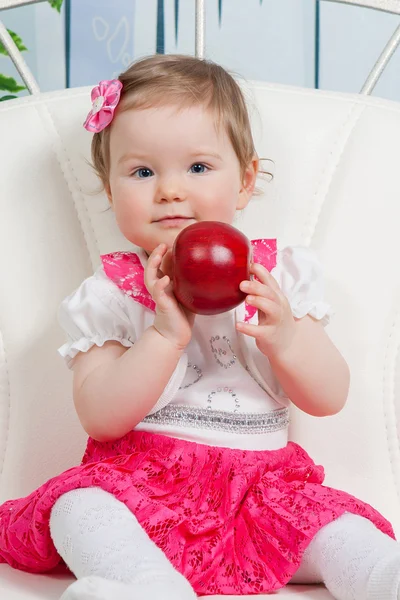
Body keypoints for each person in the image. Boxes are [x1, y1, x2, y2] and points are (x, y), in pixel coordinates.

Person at [0, 54, 399, 600]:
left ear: (246, 181)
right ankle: (145, 585)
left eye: (198, 168)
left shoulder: (275, 277)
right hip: (144, 493)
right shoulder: (111, 292)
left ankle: (382, 576)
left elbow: (329, 396)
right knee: (80, 507)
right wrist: (163, 336)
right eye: (142, 172)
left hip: (263, 498)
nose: (168, 190)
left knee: (335, 528)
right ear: (110, 188)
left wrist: (287, 336)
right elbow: (100, 417)